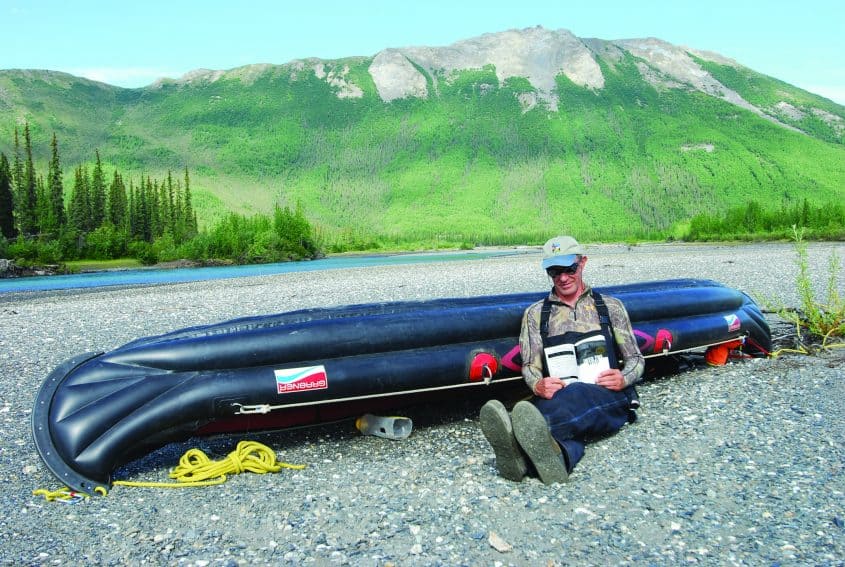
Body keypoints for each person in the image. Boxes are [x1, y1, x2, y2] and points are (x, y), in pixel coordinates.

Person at [480, 235, 645, 484]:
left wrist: (624, 378)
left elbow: (636, 359)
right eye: (555, 271)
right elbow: (529, 365)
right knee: (565, 423)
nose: (563, 277)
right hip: (559, 397)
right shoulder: (536, 315)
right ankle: (558, 458)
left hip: (608, 396)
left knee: (575, 394)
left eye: (570, 269)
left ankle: (515, 441)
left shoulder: (610, 307)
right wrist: (537, 385)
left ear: (583, 263)